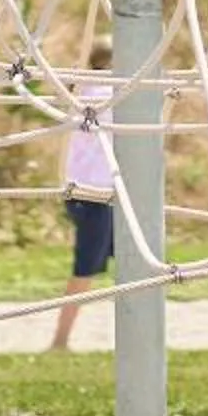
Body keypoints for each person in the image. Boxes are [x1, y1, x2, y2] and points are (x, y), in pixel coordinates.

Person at [47, 42, 118, 353]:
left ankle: (132, 334)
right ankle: (60, 341)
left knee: (131, 263)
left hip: (101, 192)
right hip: (95, 194)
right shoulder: (105, 94)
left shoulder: (82, 89)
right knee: (86, 269)